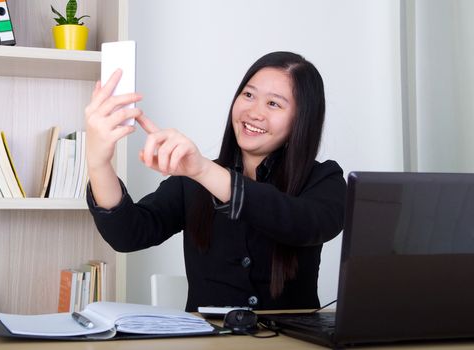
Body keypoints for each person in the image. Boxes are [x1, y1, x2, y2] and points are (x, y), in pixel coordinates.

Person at [84, 51, 347, 312]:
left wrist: (203, 170)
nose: (254, 112)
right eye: (248, 95)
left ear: (301, 119)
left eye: (274, 104)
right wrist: (98, 164)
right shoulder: (193, 178)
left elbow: (308, 223)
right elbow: (128, 234)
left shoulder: (323, 178)